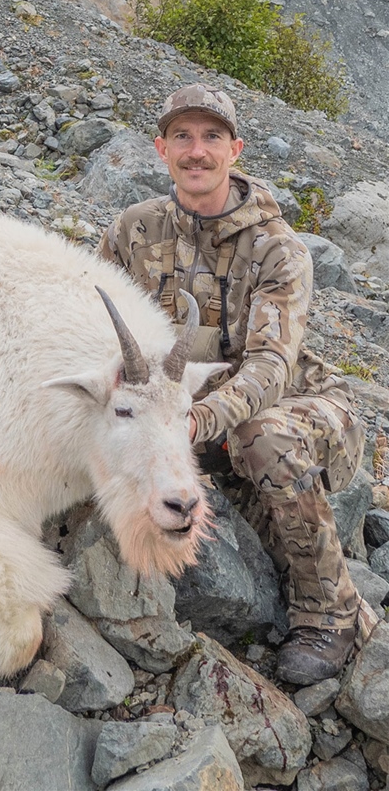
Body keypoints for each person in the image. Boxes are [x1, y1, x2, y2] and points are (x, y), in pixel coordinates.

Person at [97, 84, 366, 686]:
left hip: (298, 407)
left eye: (212, 137)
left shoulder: (279, 249)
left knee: (261, 437)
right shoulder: (131, 231)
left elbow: (271, 367)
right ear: (162, 149)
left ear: (235, 149)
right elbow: (92, 329)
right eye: (183, 137)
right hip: (177, 414)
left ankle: (330, 610)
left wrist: (193, 421)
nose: (197, 150)